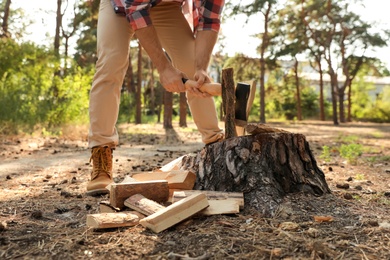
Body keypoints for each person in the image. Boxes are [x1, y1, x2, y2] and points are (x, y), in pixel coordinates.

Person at [86, 0, 225, 196]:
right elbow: (135, 10)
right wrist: (164, 68)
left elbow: (209, 21)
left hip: (165, 6)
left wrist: (200, 67)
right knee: (111, 62)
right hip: (121, 5)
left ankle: (216, 145)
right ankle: (101, 153)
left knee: (192, 66)